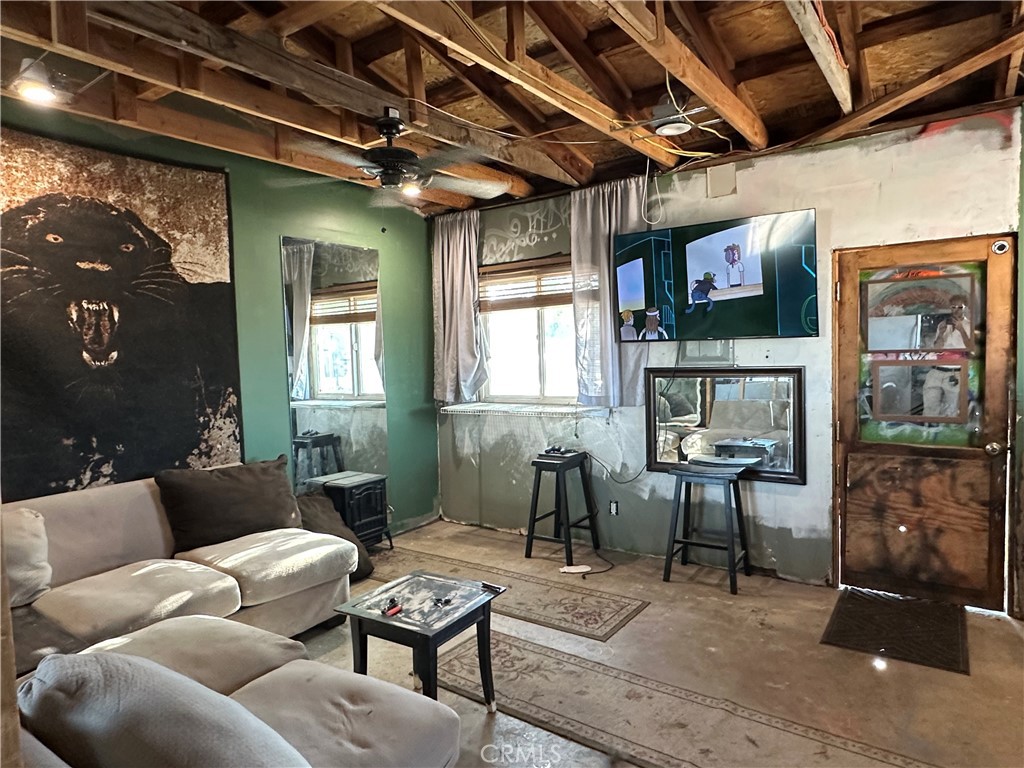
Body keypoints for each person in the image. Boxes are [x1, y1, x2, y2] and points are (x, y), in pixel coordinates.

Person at [922, 295, 973, 418]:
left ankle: (945, 432)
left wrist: (961, 330)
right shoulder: (942, 325)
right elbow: (937, 349)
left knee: (951, 410)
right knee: (929, 407)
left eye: (960, 307)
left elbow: (971, 349)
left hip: (955, 372)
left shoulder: (969, 325)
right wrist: (940, 334)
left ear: (965, 308)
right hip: (936, 370)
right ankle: (929, 430)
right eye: (953, 307)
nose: (956, 310)